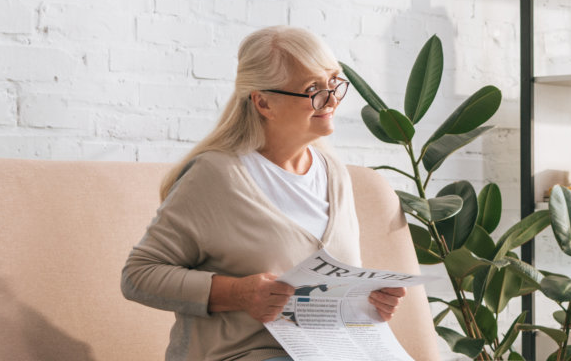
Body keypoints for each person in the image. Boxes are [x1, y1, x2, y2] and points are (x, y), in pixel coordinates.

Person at [121, 26, 445, 361]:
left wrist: (366, 301)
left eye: (333, 82)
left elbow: (337, 285)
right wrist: (239, 293)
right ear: (263, 102)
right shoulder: (216, 176)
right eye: (312, 90)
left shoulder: (334, 173)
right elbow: (138, 275)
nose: (332, 100)